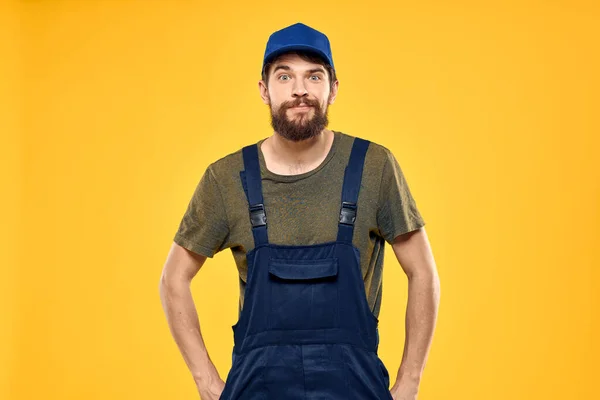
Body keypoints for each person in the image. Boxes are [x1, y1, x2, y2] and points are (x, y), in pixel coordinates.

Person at [159, 22, 440, 400]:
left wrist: (410, 382)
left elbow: (422, 272)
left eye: (314, 76)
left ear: (333, 88)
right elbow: (173, 279)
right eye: (284, 75)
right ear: (264, 90)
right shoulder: (226, 178)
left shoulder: (374, 166)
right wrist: (206, 382)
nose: (300, 90)